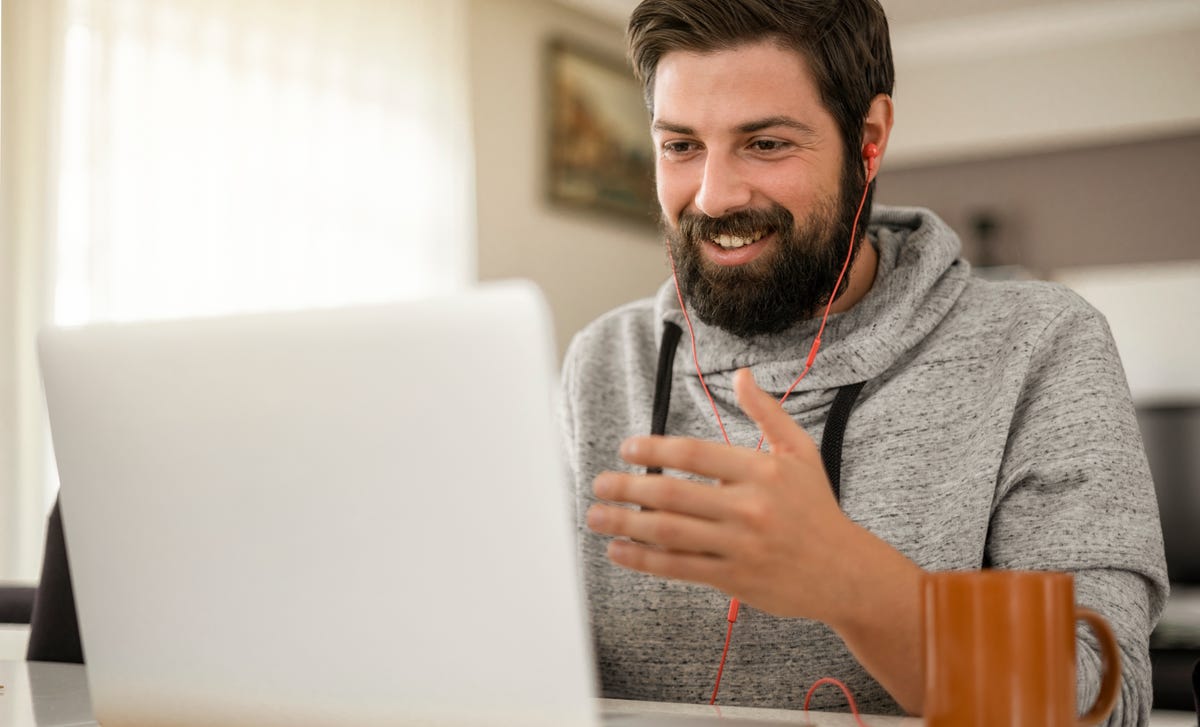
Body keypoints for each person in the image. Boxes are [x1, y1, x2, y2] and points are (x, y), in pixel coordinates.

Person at [559, 0, 1168, 723]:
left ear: (869, 135)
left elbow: (1106, 700)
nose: (714, 196)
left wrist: (854, 583)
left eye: (765, 144)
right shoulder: (604, 359)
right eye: (681, 146)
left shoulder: (1038, 346)